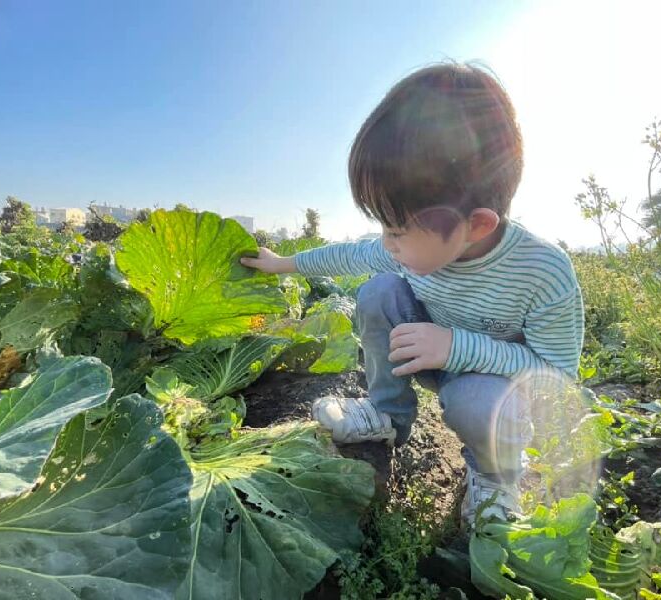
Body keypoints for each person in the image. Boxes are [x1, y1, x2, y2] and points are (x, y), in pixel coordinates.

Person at [240, 61, 584, 528]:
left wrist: (456, 346)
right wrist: (284, 264)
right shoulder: (407, 248)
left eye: (397, 230)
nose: (387, 242)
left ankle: (494, 477)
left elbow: (557, 376)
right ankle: (387, 414)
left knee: (477, 405)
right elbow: (353, 254)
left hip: (489, 384)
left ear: (477, 225)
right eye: (384, 226)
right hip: (423, 352)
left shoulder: (543, 272)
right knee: (378, 292)